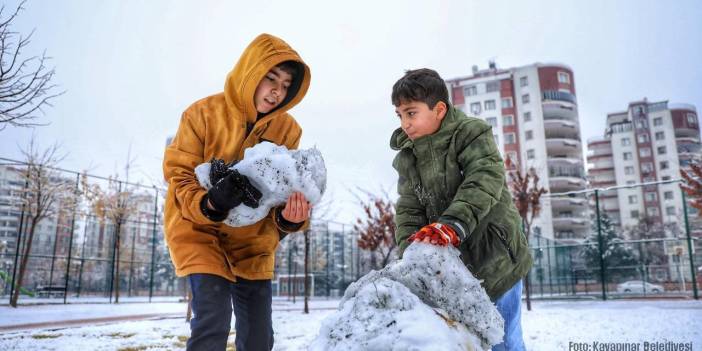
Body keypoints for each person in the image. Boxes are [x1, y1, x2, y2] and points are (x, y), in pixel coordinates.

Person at [163, 33, 312, 351]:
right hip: (199, 230)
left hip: (252, 241)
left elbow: (281, 193)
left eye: (286, 85)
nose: (277, 91)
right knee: (213, 320)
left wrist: (288, 218)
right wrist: (212, 202)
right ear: (250, 73)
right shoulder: (201, 113)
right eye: (271, 78)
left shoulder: (288, 131)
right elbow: (179, 174)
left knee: (259, 338)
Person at [389, 68, 533, 351]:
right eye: (399, 115)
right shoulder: (408, 156)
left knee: (503, 340)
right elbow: (409, 209)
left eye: (411, 113)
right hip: (453, 273)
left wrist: (453, 223)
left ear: (439, 109)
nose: (405, 123)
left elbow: (483, 180)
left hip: (495, 259)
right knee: (464, 343)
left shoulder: (471, 133)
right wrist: (411, 256)